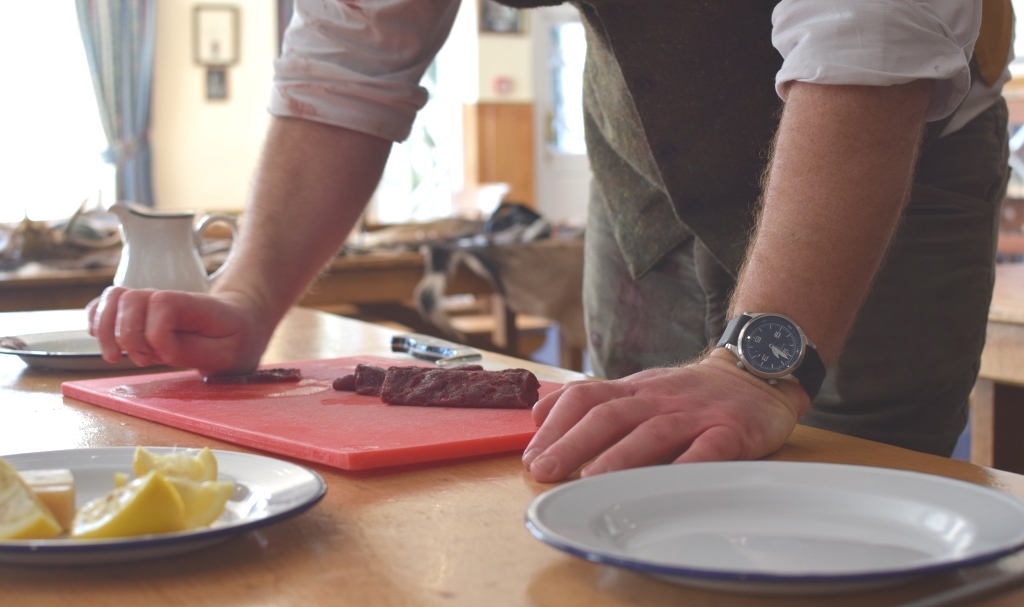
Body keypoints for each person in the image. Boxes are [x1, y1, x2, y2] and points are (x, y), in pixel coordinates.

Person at [88, 0, 1013, 483]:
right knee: (624, 471)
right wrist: (247, 292)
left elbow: (866, 38)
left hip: (885, 151)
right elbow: (349, 53)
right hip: (644, 158)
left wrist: (760, 365)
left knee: (854, 503)